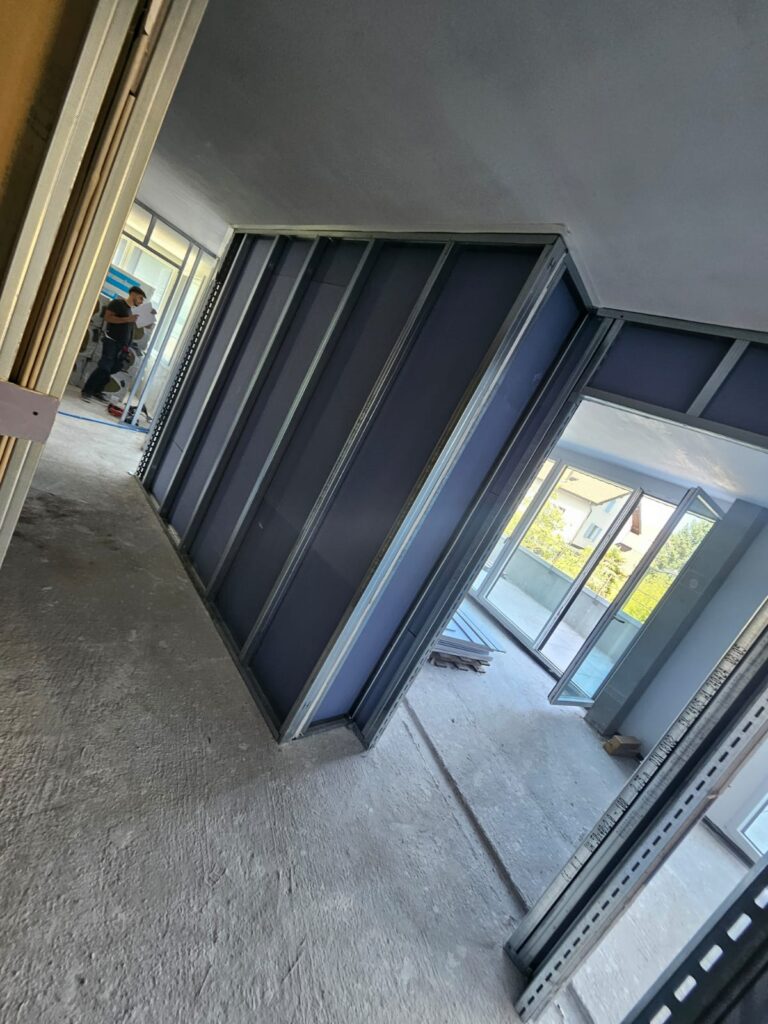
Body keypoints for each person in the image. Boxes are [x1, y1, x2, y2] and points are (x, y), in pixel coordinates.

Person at [81, 286, 145, 402]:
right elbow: (108, 318)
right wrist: (127, 319)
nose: (141, 302)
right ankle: (87, 391)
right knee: (104, 367)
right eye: (140, 298)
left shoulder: (130, 311)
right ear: (134, 294)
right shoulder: (117, 304)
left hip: (122, 346)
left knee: (114, 368)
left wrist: (128, 347)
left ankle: (97, 390)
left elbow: (128, 330)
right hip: (111, 341)